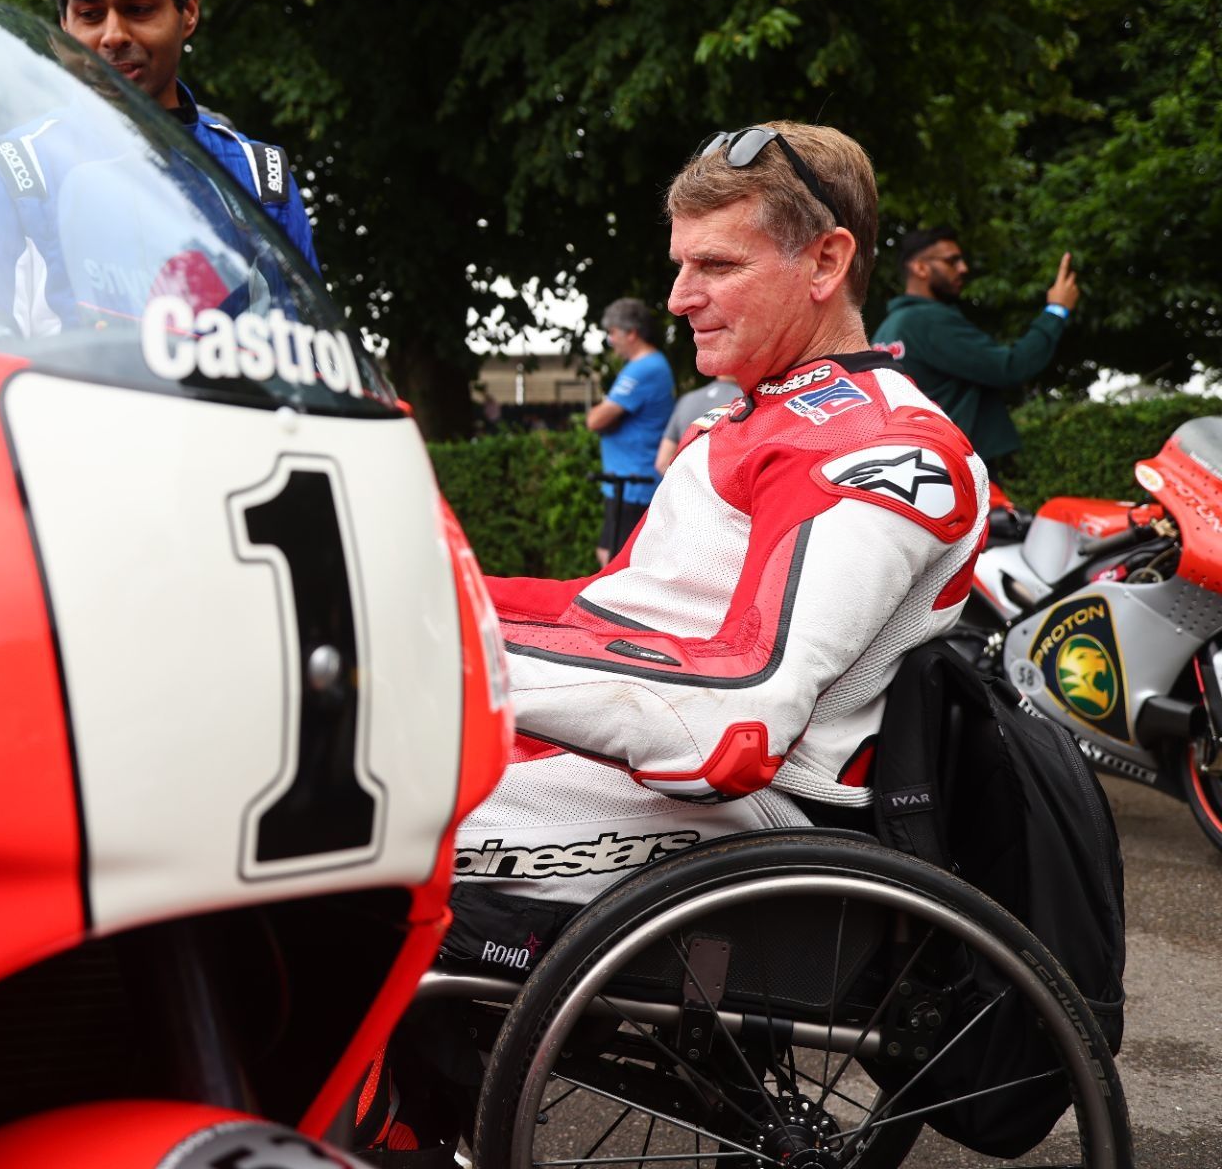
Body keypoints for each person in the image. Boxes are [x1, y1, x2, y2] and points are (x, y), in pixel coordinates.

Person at [356, 123, 990, 1165]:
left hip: (751, 812)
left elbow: (731, 718)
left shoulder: (879, 447)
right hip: (659, 774)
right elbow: (617, 617)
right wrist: (397, 594)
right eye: (680, 266)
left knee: (328, 827)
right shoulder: (769, 415)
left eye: (718, 265)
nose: (682, 297)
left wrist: (450, 654)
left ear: (827, 261)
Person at [0, 0, 319, 336]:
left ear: (189, 11)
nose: (113, 35)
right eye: (89, 14)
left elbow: (307, 355)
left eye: (139, 9)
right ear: (64, 25)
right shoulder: (8, 171)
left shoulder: (262, 178)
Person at [869, 227, 1078, 470]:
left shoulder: (887, 330)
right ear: (920, 268)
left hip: (916, 469)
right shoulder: (928, 320)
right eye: (951, 261)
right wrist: (1056, 311)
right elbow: (1010, 367)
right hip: (957, 472)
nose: (963, 268)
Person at [585, 298, 673, 567]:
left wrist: (601, 416)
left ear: (631, 333)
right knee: (607, 553)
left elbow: (596, 420)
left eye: (612, 332)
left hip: (635, 485)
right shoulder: (644, 366)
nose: (610, 340)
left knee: (619, 564)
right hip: (628, 482)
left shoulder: (644, 369)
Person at [654, 373, 741, 472]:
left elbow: (662, 462)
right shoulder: (746, 401)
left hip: (683, 482)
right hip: (722, 482)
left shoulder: (687, 399)